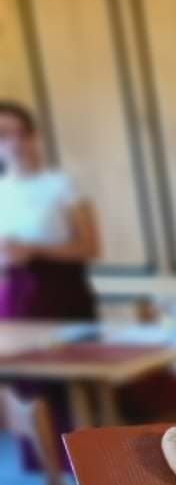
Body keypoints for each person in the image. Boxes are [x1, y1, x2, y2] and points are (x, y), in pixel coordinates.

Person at [0, 101, 99, 321]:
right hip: (11, 296)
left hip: (62, 294)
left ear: (34, 137)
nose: (15, 142)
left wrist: (33, 250)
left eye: (22, 133)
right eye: (3, 135)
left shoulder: (64, 184)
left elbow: (91, 247)